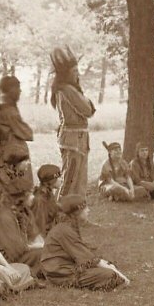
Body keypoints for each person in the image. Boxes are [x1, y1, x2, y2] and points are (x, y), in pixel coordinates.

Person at [41, 195, 130, 290]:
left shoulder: (67, 225)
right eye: (85, 208)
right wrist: (120, 275)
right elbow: (86, 257)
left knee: (106, 262)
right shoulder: (65, 230)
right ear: (77, 212)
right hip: (61, 274)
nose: (88, 210)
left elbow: (83, 252)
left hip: (64, 268)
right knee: (109, 274)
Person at [50, 46, 96, 199]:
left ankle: (78, 216)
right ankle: (62, 215)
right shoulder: (67, 90)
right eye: (75, 71)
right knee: (70, 179)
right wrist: (86, 100)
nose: (78, 74)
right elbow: (88, 109)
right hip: (72, 141)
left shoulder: (70, 89)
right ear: (66, 73)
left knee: (80, 180)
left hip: (79, 139)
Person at [0, 177, 44, 278]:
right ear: (21, 198)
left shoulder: (25, 212)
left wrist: (44, 244)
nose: (33, 197)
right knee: (43, 253)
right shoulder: (3, 217)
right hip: (10, 259)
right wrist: (38, 246)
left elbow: (34, 234)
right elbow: (15, 251)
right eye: (30, 194)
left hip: (25, 253)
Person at [0, 75, 34, 183]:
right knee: (21, 184)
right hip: (13, 151)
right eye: (17, 87)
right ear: (10, 90)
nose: (20, 91)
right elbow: (26, 133)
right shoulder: (8, 110)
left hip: (7, 150)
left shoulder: (4, 105)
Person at [32, 164, 62, 237]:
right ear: (51, 181)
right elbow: (39, 228)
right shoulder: (41, 200)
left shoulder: (48, 193)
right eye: (59, 177)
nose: (62, 179)